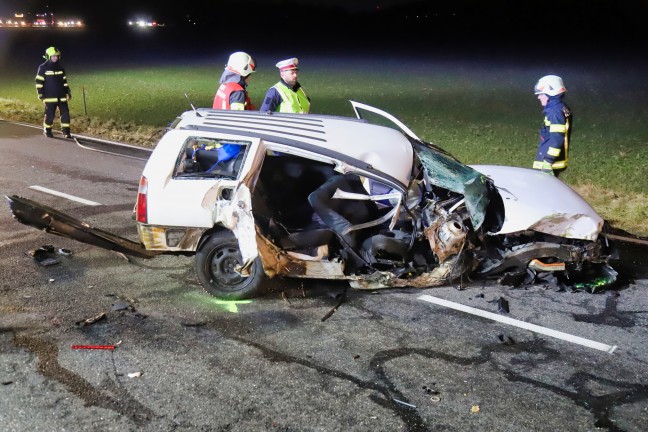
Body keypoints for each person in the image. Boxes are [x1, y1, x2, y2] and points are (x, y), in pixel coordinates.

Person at [532, 75, 572, 177]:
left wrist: (548, 161)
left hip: (548, 161)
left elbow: (557, 138)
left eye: (541, 94)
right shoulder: (559, 108)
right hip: (551, 157)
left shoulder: (555, 112)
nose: (538, 97)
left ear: (551, 93)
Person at [35, 46, 72, 138]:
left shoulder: (60, 67)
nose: (55, 58)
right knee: (50, 115)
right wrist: (41, 95)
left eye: (57, 56)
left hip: (62, 96)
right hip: (49, 97)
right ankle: (47, 130)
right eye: (53, 56)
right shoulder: (43, 67)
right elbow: (39, 82)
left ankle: (66, 132)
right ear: (48, 56)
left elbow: (64, 81)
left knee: (66, 115)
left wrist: (68, 92)